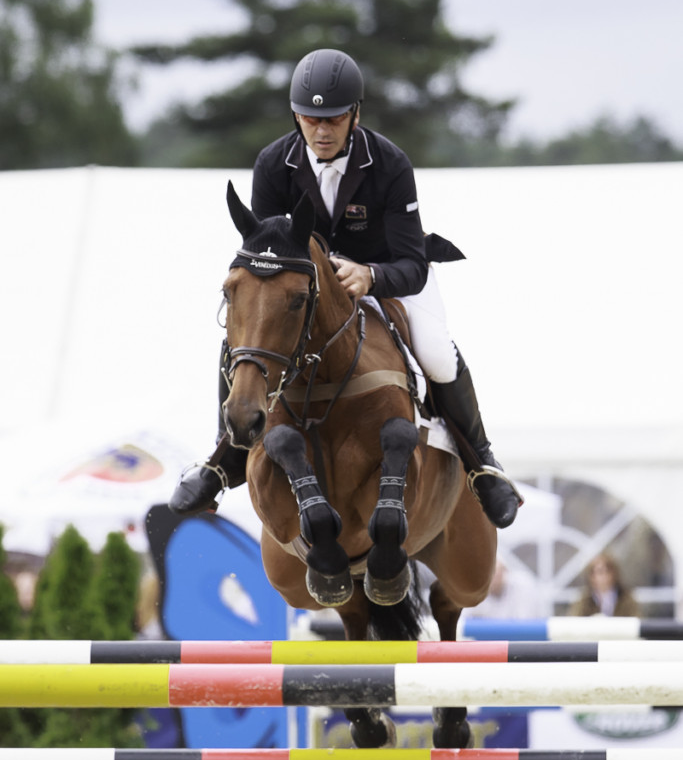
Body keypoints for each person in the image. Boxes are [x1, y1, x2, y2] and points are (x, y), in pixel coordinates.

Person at [170, 48, 521, 529]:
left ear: (355, 113)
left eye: (333, 118)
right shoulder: (274, 165)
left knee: (437, 351)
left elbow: (412, 265)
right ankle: (225, 457)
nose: (321, 130)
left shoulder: (390, 164)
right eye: (310, 119)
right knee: (246, 341)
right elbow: (266, 254)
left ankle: (482, 464)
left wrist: (370, 276)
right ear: (297, 115)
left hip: (388, 278)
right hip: (306, 291)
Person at [569, 552, 641, 617]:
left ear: (614, 574)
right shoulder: (583, 601)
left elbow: (636, 621)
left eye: (607, 571)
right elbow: (575, 623)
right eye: (600, 572)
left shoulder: (626, 599)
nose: (604, 576)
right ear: (591, 577)